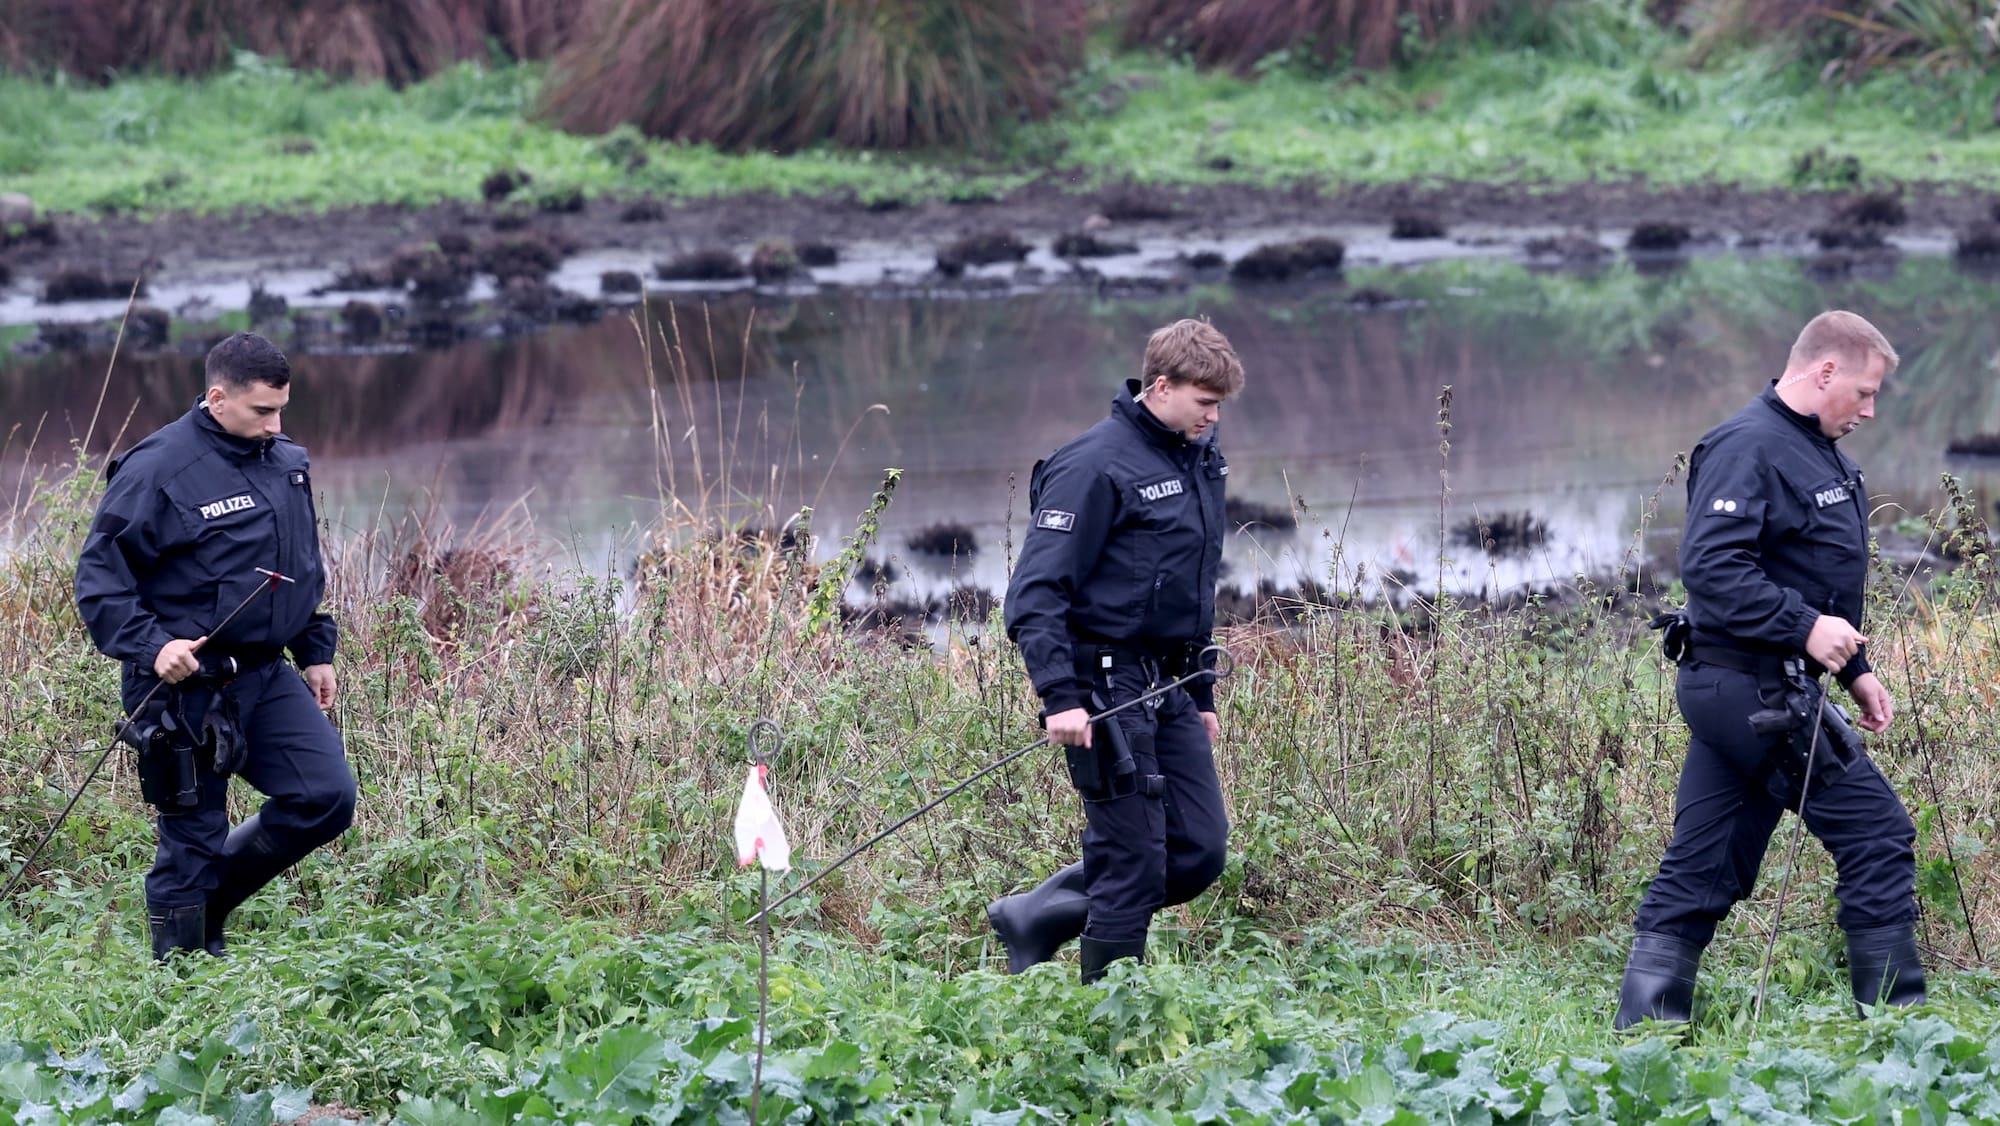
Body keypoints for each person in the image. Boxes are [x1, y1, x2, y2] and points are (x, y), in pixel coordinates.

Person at [1615, 310, 1922, 1028]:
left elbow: (1814, 576)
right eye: (1865, 392)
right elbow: (1714, 569)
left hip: (1754, 686)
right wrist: (1804, 627)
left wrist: (1857, 671)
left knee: (1706, 862)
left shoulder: (1820, 452)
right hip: (1747, 687)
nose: (1870, 411)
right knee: (1877, 833)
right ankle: (1903, 1036)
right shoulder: (1747, 445)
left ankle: (1647, 1041)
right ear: (1824, 373)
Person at [75, 332, 356, 961]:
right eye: (263, 411)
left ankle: (209, 912)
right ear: (217, 397)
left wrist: (316, 648)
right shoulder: (157, 469)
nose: (276, 425)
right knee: (193, 835)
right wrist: (152, 647)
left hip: (265, 675)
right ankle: (179, 975)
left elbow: (299, 567)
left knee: (325, 796)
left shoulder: (287, 462)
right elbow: (98, 580)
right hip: (183, 687)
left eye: (282, 409)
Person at [991, 318, 1241, 983]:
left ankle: (1038, 915)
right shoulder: (1091, 465)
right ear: (1161, 386)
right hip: (1101, 689)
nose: (1214, 418)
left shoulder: (1197, 461)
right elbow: (1035, 593)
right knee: (1130, 861)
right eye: (1204, 403)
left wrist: (1200, 691)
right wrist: (1059, 696)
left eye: (1219, 406)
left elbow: (1188, 586)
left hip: (1166, 686)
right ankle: (1109, 1026)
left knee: (1198, 850)